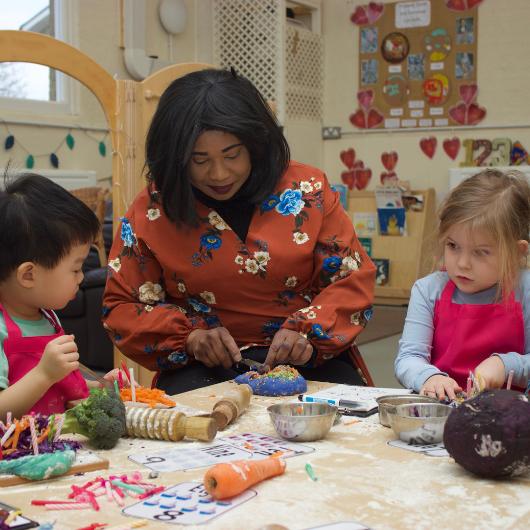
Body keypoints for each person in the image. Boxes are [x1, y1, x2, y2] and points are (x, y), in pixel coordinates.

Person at [102, 68, 376, 394]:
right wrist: (190, 338)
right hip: (201, 367)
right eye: (198, 160)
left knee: (348, 425)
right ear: (175, 158)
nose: (219, 174)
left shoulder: (307, 191)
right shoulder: (153, 209)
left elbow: (351, 279)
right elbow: (121, 306)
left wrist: (307, 332)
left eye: (232, 155)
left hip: (308, 357)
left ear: (256, 144)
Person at [395, 169, 530, 400]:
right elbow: (408, 358)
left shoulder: (525, 289)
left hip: (513, 419)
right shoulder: (428, 290)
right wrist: (428, 377)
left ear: (517, 252)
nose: (462, 263)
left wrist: (505, 365)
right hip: (442, 411)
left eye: (481, 252)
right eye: (453, 246)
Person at [0, 173, 124, 419]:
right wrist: (43, 374)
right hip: (19, 453)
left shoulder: (46, 316)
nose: (81, 277)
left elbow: (59, 389)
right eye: (76, 269)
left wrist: (101, 387)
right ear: (28, 276)